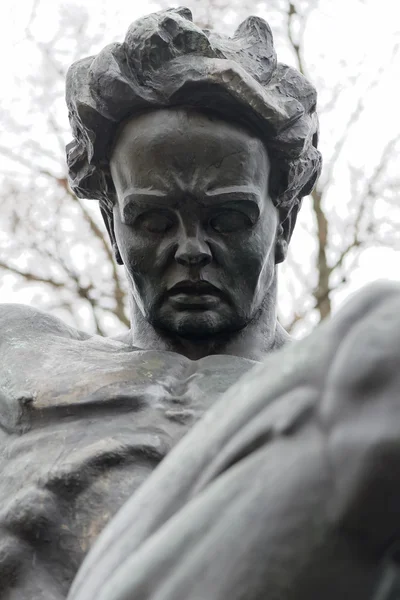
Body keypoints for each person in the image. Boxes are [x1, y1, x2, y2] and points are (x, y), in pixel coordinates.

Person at [1, 7, 398, 600]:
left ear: (284, 220)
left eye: (228, 217)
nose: (190, 249)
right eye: (153, 219)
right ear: (113, 226)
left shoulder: (360, 394)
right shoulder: (19, 357)